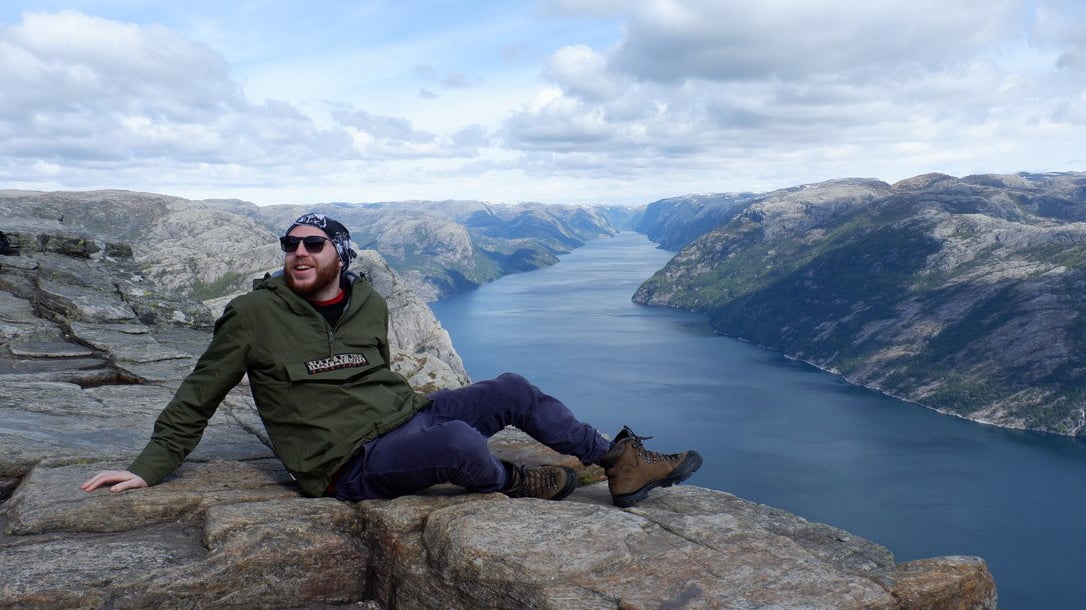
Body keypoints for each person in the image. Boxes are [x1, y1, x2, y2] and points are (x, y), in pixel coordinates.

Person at [82, 213, 702, 507]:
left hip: (408, 417)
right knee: (462, 443)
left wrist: (421, 412)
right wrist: (150, 467)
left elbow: (377, 374)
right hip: (343, 463)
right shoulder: (254, 315)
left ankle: (618, 461)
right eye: (290, 244)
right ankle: (518, 481)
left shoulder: (369, 302)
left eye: (313, 244)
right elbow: (200, 392)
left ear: (339, 255)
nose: (298, 253)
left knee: (510, 387)